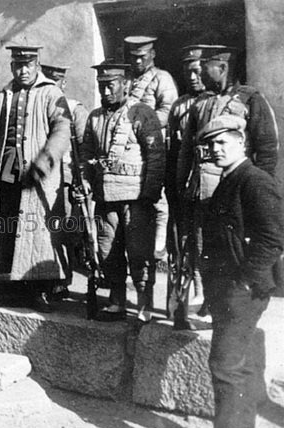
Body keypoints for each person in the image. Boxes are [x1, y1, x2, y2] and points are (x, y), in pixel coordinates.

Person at [196, 115, 283, 428]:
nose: (215, 149)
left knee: (224, 365)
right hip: (227, 288)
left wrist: (246, 282)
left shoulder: (254, 181)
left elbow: (272, 239)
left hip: (242, 289)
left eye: (223, 143)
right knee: (238, 362)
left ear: (241, 143)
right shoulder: (231, 179)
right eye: (211, 144)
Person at [176, 45, 279, 320]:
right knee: (203, 247)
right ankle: (209, 300)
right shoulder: (201, 104)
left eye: (205, 64)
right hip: (202, 189)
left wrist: (253, 189)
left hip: (236, 189)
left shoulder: (250, 99)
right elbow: (187, 152)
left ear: (222, 67)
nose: (199, 70)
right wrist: (182, 189)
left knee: (233, 248)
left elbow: (267, 149)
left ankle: (233, 301)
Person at [0, 44, 72, 312]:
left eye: (28, 65)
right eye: (18, 65)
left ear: (37, 65)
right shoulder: (3, 97)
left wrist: (45, 160)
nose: (23, 70)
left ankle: (40, 288)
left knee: (38, 231)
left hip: (38, 173)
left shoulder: (51, 93)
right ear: (11, 67)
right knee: (8, 225)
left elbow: (63, 129)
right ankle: (13, 287)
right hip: (7, 169)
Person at [79, 60, 165, 322]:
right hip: (105, 198)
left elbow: (156, 156)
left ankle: (144, 304)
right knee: (108, 252)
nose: (105, 92)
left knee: (139, 253)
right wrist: (84, 180)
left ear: (125, 84)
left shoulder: (141, 113)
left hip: (136, 198)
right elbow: (86, 154)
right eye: (101, 86)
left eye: (110, 86)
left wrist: (150, 193)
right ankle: (117, 301)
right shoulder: (94, 117)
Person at [125, 35, 178, 264]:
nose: (137, 62)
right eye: (134, 58)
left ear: (152, 55)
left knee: (158, 197)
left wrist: (144, 125)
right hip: (129, 146)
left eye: (142, 57)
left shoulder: (161, 78)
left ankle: (159, 247)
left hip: (153, 144)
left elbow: (169, 109)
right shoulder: (127, 80)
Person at [166, 45, 208, 329]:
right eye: (188, 72)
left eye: (197, 71)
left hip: (208, 186)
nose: (192, 77)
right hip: (183, 184)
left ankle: (205, 296)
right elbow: (172, 148)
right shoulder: (179, 105)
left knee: (204, 241)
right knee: (181, 241)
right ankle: (185, 297)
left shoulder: (215, 101)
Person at [40, 63, 89, 298]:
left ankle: (64, 278)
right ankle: (49, 276)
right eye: (49, 81)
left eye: (57, 81)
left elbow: (84, 147)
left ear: (64, 83)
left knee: (67, 230)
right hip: (44, 178)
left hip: (66, 180)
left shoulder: (74, 109)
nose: (53, 86)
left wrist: (82, 179)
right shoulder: (39, 105)